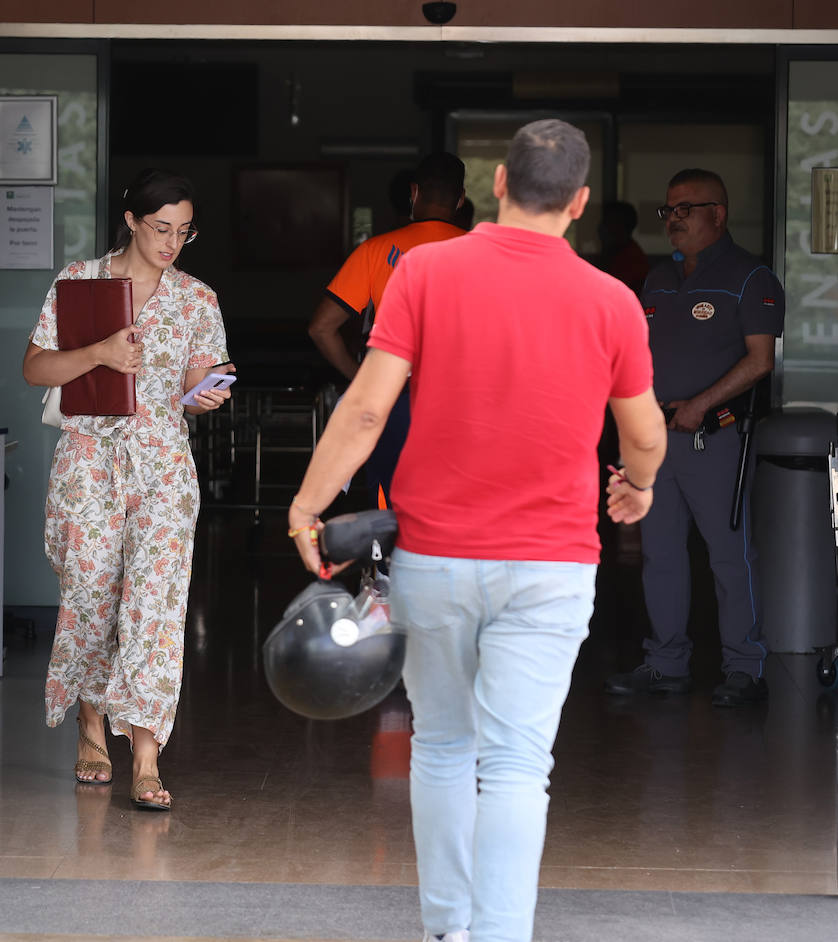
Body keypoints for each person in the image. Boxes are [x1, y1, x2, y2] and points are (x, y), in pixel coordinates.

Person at [288, 119, 666, 942]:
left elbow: (366, 408)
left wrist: (309, 505)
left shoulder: (425, 270)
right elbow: (641, 435)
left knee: (444, 750)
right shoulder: (611, 299)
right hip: (552, 564)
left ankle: (446, 930)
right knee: (518, 769)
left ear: (494, 186)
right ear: (580, 203)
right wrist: (636, 488)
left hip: (437, 558)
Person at [21, 169, 232, 811]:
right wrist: (101, 353)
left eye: (183, 232)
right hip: (89, 462)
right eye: (161, 228)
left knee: (156, 607)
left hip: (164, 465)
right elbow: (36, 369)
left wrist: (207, 397)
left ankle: (145, 753)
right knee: (88, 596)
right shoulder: (79, 282)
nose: (172, 243)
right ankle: (91, 729)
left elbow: (198, 389)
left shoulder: (197, 299)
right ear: (132, 220)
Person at [604, 169, 784, 708]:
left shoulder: (751, 278)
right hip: (655, 442)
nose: (673, 220)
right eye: (668, 210)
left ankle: (745, 669)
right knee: (659, 555)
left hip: (716, 438)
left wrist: (701, 404)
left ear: (717, 214)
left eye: (685, 209)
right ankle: (665, 664)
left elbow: (760, 360)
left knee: (731, 558)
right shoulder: (657, 279)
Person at [306, 152, 468, 504]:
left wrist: (360, 377)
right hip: (463, 402)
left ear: (413, 193)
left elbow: (322, 328)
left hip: (392, 397)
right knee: (454, 509)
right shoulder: (487, 257)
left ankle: (387, 562)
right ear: (460, 199)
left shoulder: (375, 251)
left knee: (391, 512)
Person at [599, 199, 650, 291]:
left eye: (607, 222)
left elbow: (612, 290)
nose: (602, 228)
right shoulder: (615, 252)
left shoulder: (632, 258)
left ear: (620, 226)